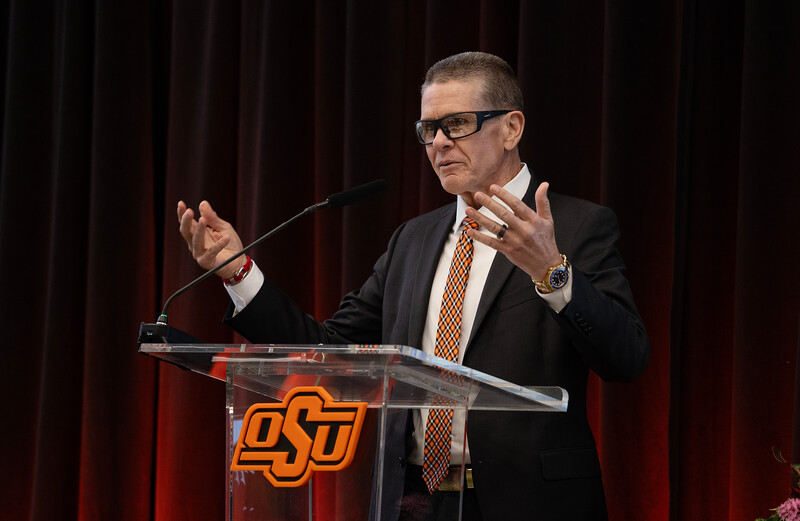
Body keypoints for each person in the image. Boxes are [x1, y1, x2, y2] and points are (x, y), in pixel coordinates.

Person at [177, 51, 649, 521]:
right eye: (428, 130)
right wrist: (239, 272)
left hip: (532, 503)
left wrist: (552, 272)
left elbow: (625, 357)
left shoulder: (577, 226)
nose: (439, 143)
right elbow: (327, 350)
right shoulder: (413, 240)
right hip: (417, 503)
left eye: (458, 123)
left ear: (511, 128)